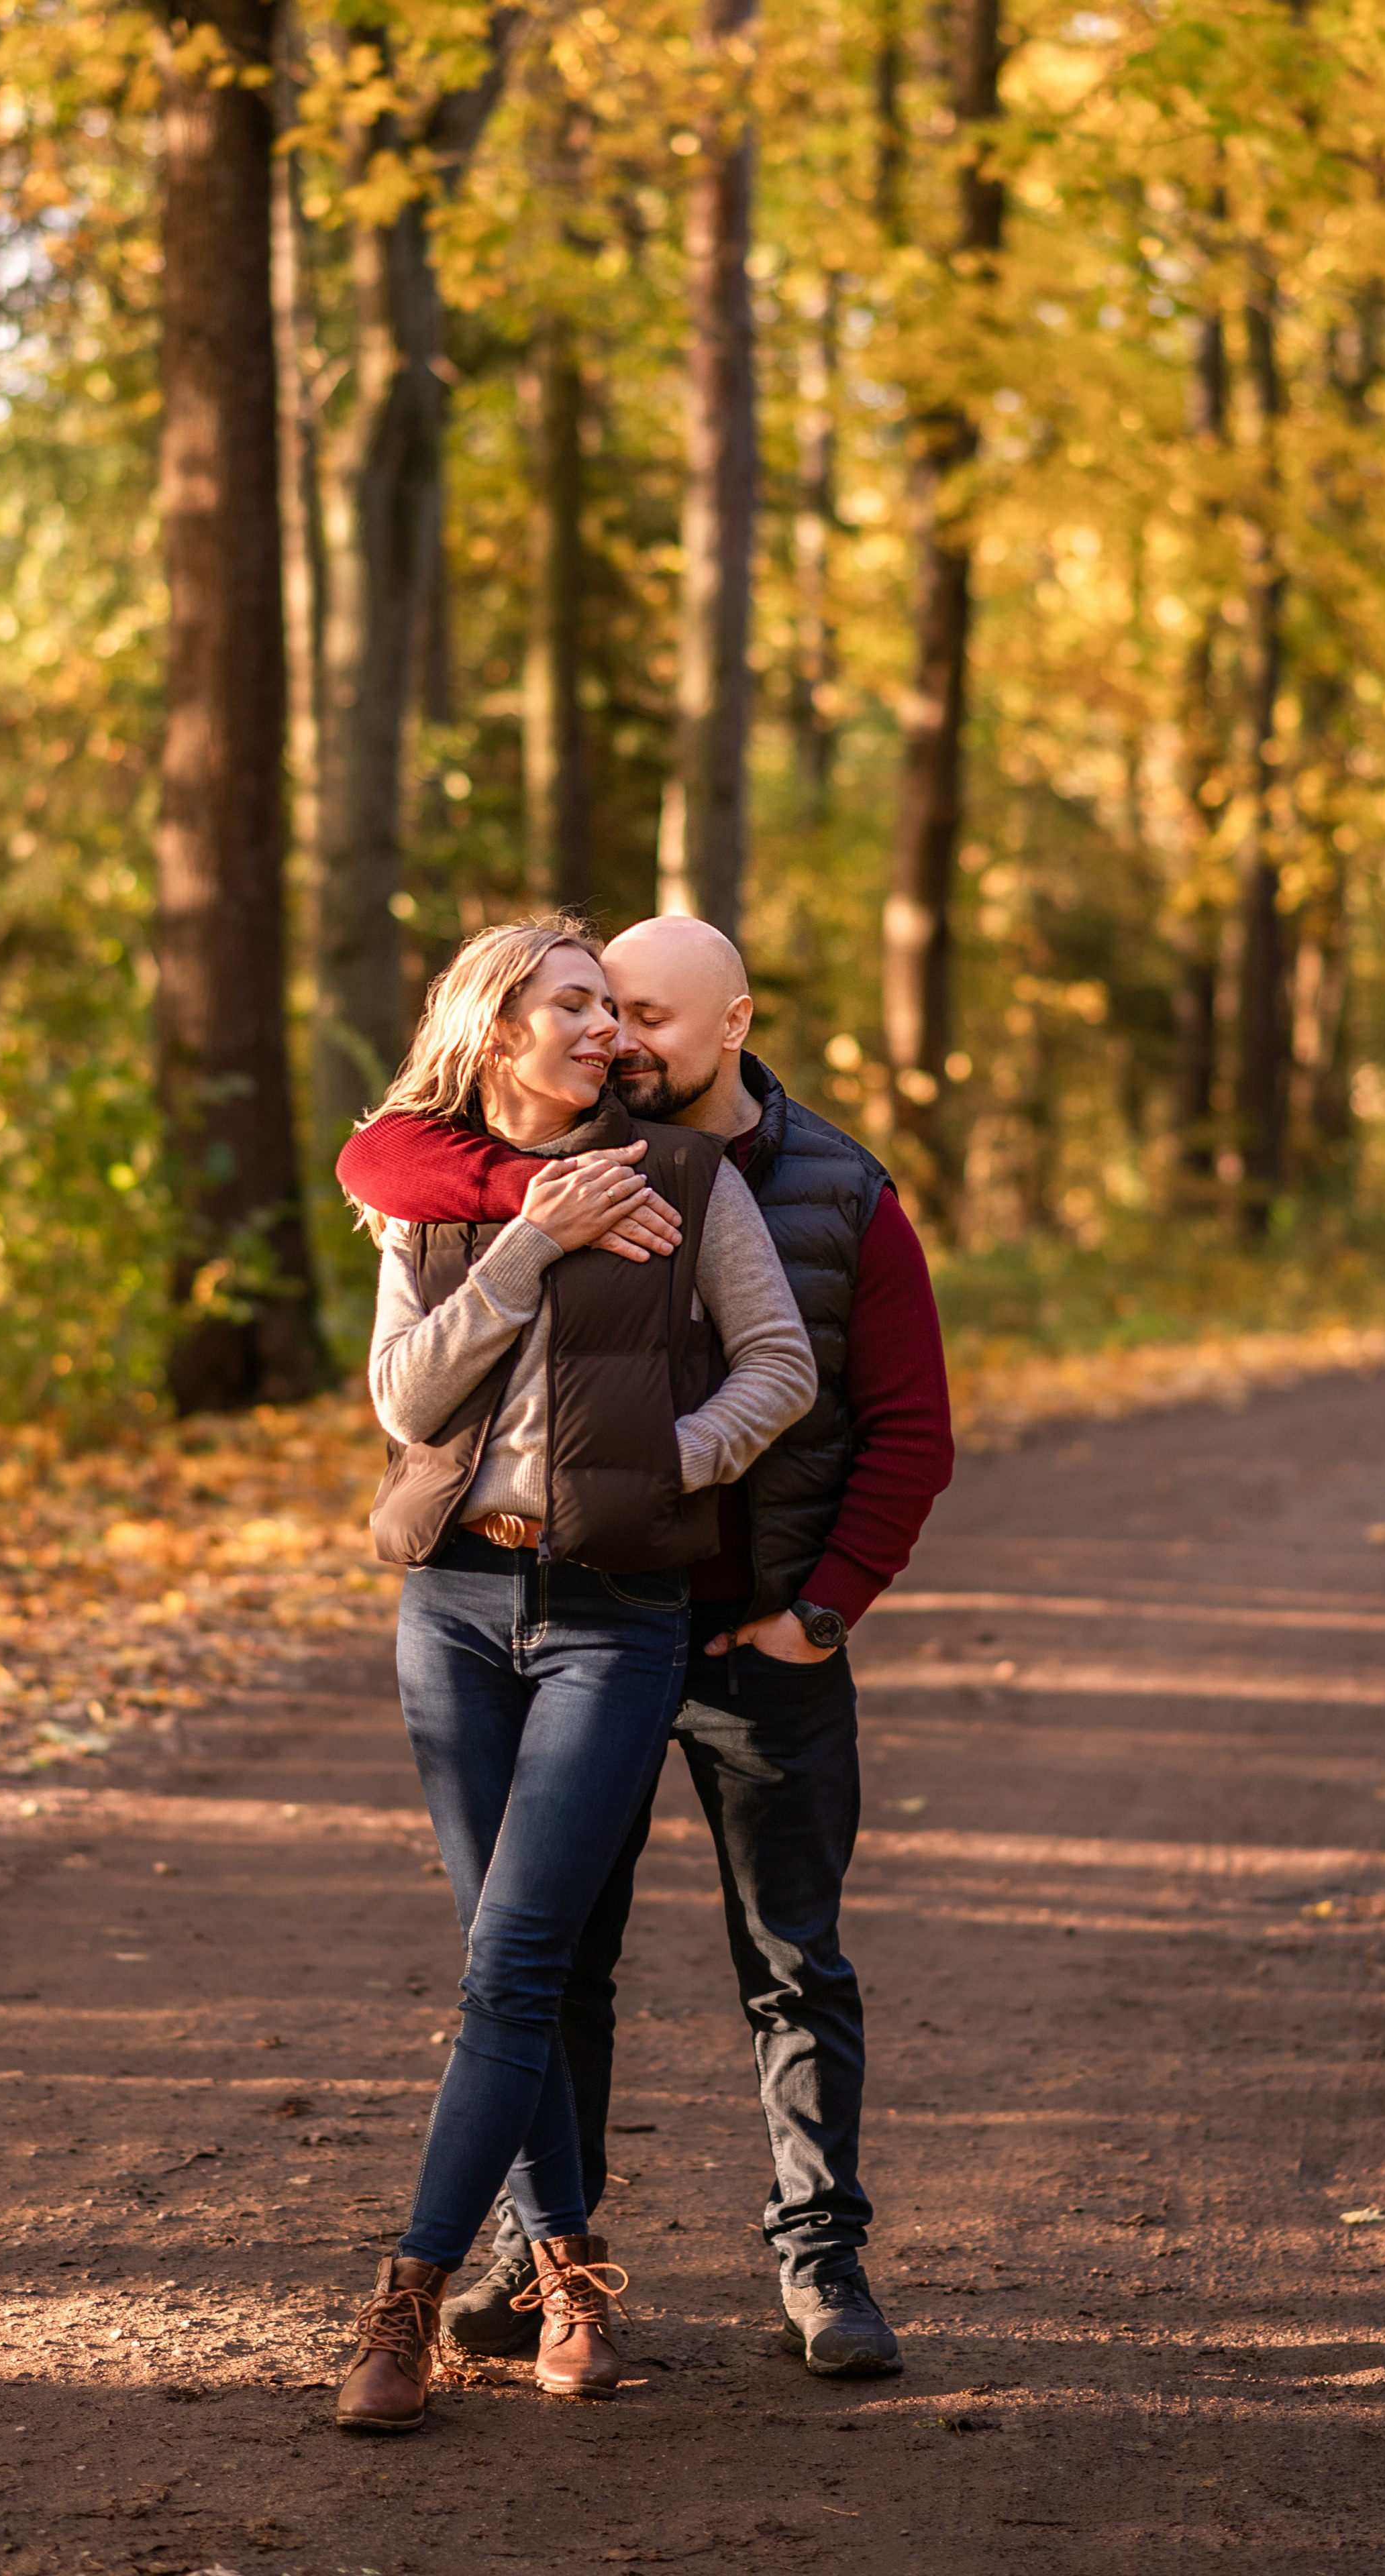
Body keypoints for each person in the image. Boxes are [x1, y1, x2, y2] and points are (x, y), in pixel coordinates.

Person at [336, 912, 954, 2379]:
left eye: (645, 1017)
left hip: (738, 1626)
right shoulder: (519, 1173)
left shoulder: (820, 1191)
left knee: (788, 1957)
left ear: (731, 1025)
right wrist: (534, 1211)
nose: (620, 1036)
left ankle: (819, 2264)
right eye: (597, 1009)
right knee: (550, 1957)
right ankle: (548, 2261)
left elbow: (880, 1416)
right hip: (531, 1601)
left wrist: (817, 1607)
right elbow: (386, 1171)